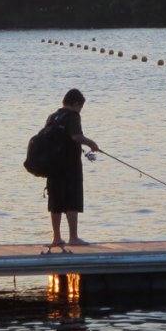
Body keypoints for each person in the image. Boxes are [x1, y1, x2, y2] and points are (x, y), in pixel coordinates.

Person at [46, 88, 100, 247]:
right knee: (72, 200)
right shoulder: (73, 116)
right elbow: (76, 137)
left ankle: (56, 238)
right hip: (69, 166)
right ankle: (73, 238)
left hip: (52, 165)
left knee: (55, 200)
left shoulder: (53, 116)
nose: (80, 111)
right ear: (76, 104)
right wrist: (92, 143)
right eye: (81, 107)